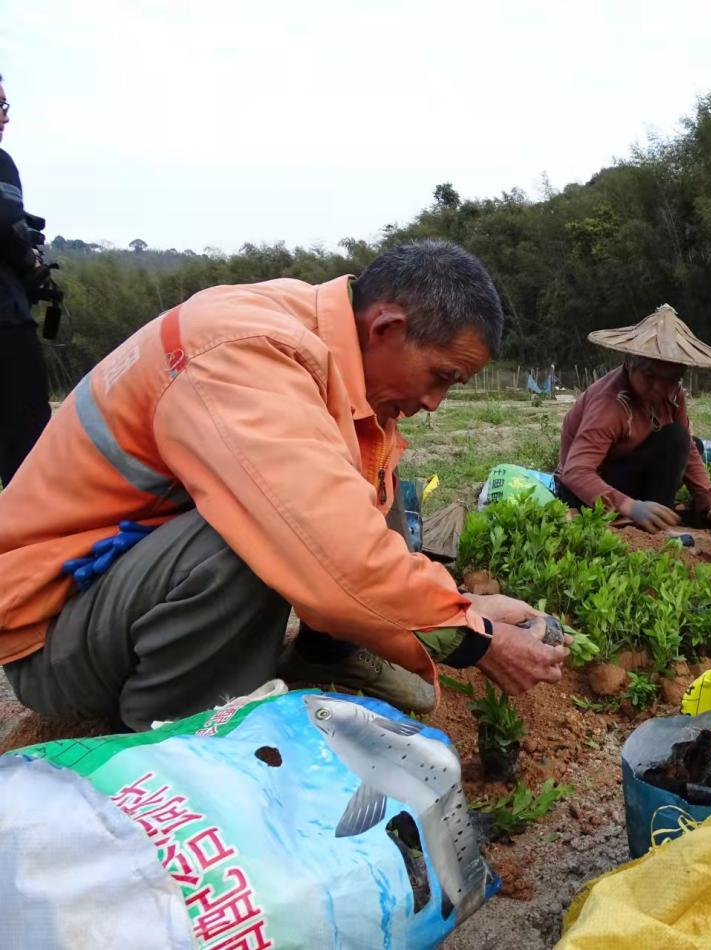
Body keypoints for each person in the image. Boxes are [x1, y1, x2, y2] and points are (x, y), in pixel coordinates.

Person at [0, 240, 567, 732]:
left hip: (120, 593)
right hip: (51, 632)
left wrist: (462, 606)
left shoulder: (329, 350)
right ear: (387, 328)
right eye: (441, 376)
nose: (433, 403)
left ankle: (327, 652)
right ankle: (170, 741)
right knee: (269, 526)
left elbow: (358, 525)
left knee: (363, 479)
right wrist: (476, 636)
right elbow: (333, 550)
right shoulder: (245, 349)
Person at [556, 304, 711, 534]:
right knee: (674, 440)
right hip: (587, 491)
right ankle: (650, 523)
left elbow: (688, 449)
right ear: (631, 364)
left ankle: (659, 516)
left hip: (627, 474)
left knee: (685, 442)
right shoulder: (610, 404)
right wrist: (629, 506)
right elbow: (576, 472)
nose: (659, 388)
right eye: (650, 375)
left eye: (671, 379)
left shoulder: (672, 396)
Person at [0, 74, 53, 486]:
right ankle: (30, 546)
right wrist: (32, 265)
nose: (6, 119)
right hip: (6, 321)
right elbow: (6, 226)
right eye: (1, 107)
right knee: (29, 441)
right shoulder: (1, 163)